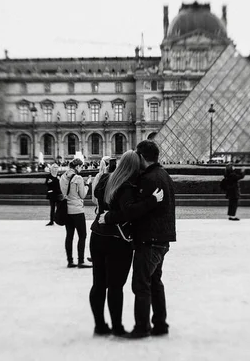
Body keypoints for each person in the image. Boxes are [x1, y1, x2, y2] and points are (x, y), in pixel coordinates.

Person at [89, 151, 164, 337]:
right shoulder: (127, 186)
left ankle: (100, 326)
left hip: (97, 236)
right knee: (115, 286)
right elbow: (130, 211)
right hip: (118, 241)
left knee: (98, 284)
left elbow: (98, 202)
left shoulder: (104, 179)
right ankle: (117, 327)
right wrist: (153, 200)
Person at [126, 140, 176, 339]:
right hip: (162, 239)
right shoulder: (164, 174)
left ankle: (142, 328)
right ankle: (160, 324)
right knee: (155, 282)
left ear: (140, 156)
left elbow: (138, 211)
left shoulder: (147, 179)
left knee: (141, 284)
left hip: (149, 239)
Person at [59, 158, 93, 268]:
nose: (82, 169)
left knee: (69, 236)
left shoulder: (63, 177)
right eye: (81, 167)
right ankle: (81, 261)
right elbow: (82, 195)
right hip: (77, 210)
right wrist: (87, 184)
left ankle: (70, 261)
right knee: (82, 235)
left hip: (67, 210)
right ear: (77, 167)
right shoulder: (78, 178)